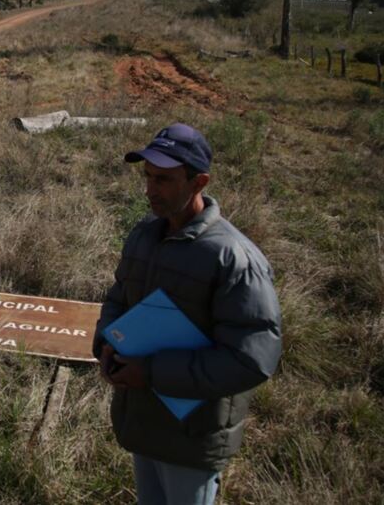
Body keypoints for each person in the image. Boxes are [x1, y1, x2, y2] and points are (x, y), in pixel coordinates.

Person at [93, 123, 282, 505]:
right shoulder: (144, 235)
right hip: (143, 419)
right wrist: (106, 344)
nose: (149, 189)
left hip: (192, 434)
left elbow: (251, 360)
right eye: (147, 176)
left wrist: (150, 373)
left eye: (163, 179)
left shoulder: (234, 259)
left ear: (199, 182)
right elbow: (118, 297)